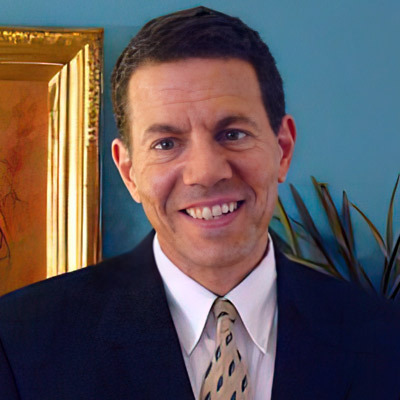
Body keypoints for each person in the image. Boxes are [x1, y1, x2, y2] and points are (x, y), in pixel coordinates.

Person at [1, 6, 399, 400]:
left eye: (233, 134)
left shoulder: (385, 341)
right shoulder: (19, 342)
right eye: (166, 144)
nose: (206, 172)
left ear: (283, 148)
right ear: (129, 171)